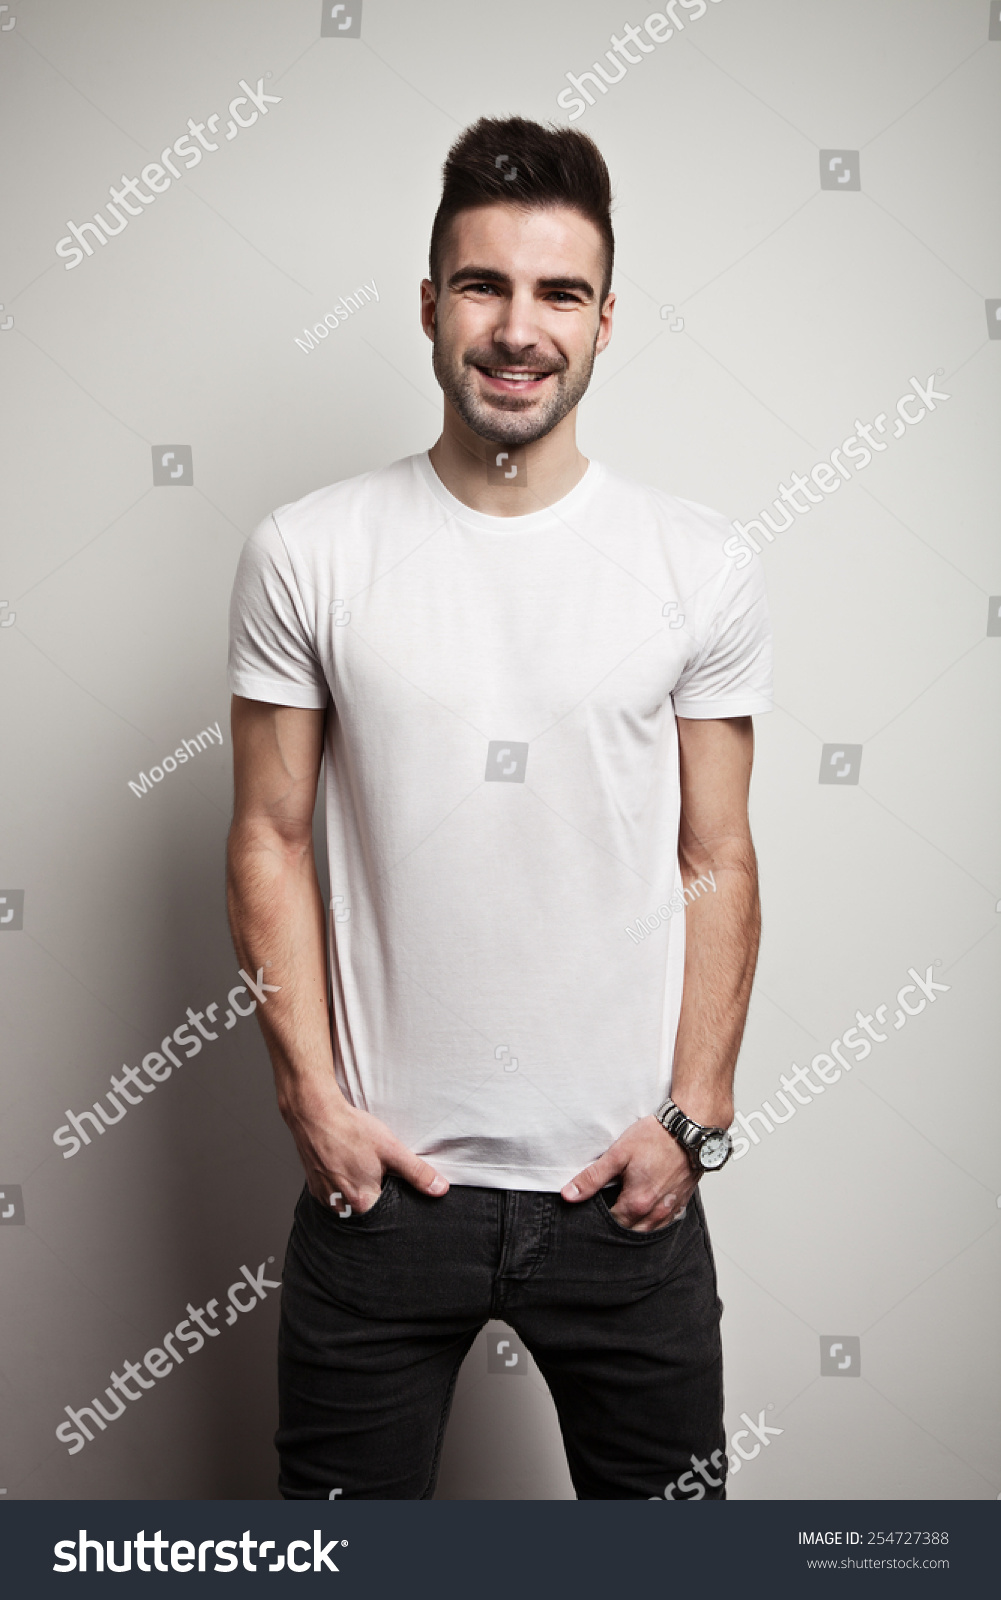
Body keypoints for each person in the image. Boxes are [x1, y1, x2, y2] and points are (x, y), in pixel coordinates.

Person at [226, 114, 772, 1501]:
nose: (517, 328)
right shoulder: (309, 551)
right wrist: (309, 1098)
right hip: (380, 1192)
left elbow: (716, 855)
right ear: (428, 305)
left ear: (601, 322)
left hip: (624, 1198)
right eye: (483, 286)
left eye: (557, 294)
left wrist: (692, 1117)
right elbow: (269, 835)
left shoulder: (695, 564)